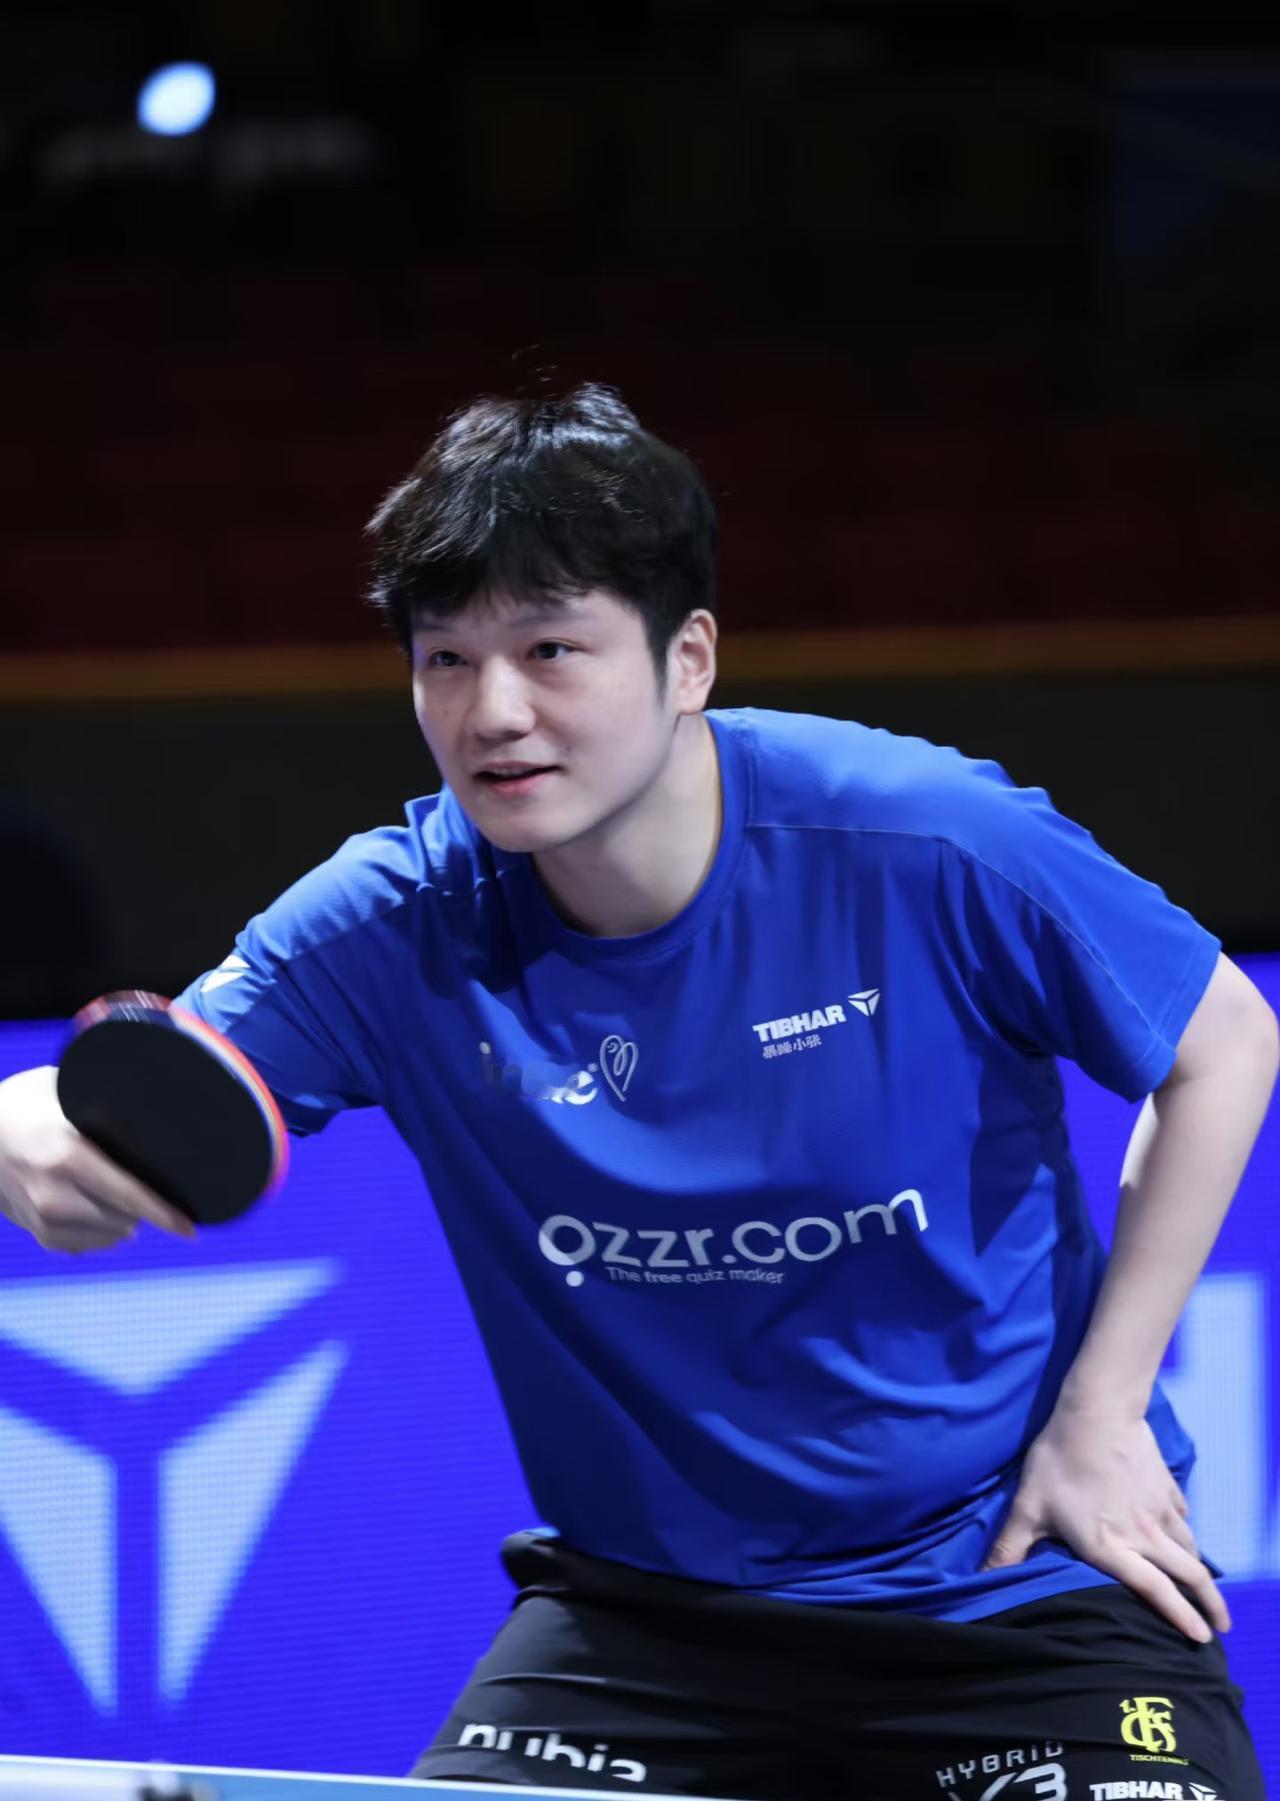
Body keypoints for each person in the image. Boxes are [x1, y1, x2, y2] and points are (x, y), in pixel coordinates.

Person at [0, 385, 1275, 1800]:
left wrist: (1104, 1410)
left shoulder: (922, 841)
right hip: (644, 1626)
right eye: (445, 660)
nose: (494, 713)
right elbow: (145, 1082)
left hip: (1013, 1583)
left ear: (689, 660)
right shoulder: (393, 922)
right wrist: (22, 1116)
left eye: (552, 649)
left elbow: (1225, 1039)